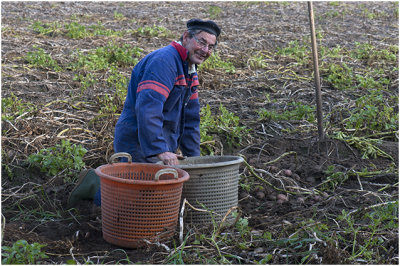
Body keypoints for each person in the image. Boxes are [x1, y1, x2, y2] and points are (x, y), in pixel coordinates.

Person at [67, 18, 221, 208]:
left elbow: (191, 118)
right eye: (202, 42)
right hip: (137, 139)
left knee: (151, 198)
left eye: (211, 47)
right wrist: (159, 150)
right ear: (187, 36)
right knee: (129, 197)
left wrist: (195, 158)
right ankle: (94, 191)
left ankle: (99, 186)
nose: (206, 51)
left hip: (160, 140)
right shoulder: (164, 62)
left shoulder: (189, 69)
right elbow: (148, 108)